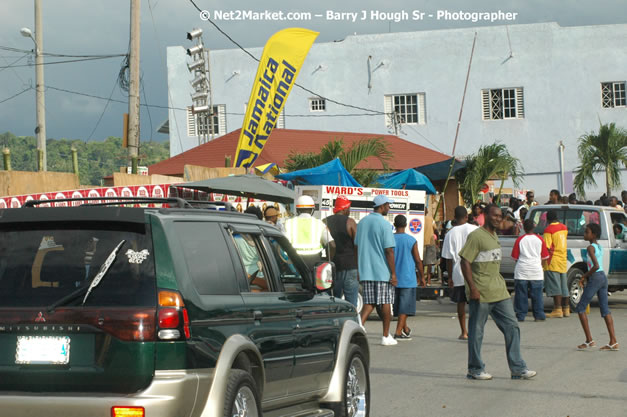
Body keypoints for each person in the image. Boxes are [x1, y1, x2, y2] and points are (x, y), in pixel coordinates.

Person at [459, 204, 536, 380]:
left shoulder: (495, 236)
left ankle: (517, 368)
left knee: (512, 327)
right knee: (477, 331)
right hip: (481, 292)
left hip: (499, 291)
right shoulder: (476, 236)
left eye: (500, 216)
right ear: (485, 215)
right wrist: (473, 288)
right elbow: (465, 262)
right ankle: (475, 369)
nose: (498, 219)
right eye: (494, 216)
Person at [356, 194, 398, 346]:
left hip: (366, 270)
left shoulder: (362, 222)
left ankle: (359, 325)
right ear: (382, 206)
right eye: (388, 205)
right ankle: (386, 335)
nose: (389, 208)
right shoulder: (384, 224)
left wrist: (359, 267)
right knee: (386, 302)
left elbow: (357, 246)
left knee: (370, 302)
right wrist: (393, 273)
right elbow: (389, 251)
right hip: (381, 270)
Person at [576, 223, 619, 351]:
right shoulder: (598, 246)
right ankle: (613, 341)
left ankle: (589, 340)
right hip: (602, 277)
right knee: (605, 309)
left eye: (587, 232)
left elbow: (595, 265)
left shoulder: (590, 248)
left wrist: (584, 276)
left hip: (595, 277)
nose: (585, 234)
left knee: (580, 307)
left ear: (593, 235)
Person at [441, 206, 478, 340]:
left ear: (454, 217)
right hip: (474, 272)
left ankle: (464, 332)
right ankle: (475, 330)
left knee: (460, 303)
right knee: (475, 303)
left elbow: (448, 259)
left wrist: (450, 277)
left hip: (458, 272)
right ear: (467, 216)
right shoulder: (475, 229)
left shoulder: (450, 233)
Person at [392, 215, 425, 341]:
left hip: (394, 277)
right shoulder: (411, 240)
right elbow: (417, 260)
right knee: (404, 307)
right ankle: (398, 332)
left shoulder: (390, 239)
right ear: (406, 225)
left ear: (394, 225)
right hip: (408, 278)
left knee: (399, 307)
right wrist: (421, 277)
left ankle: (405, 329)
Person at [324, 195, 359, 307]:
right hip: (350, 266)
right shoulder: (350, 222)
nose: (349, 210)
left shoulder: (325, 221)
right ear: (344, 209)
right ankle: (351, 323)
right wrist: (358, 266)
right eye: (349, 208)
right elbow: (357, 245)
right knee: (351, 303)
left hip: (332, 266)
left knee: (333, 300)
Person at [512, 219, 549, 322]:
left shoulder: (520, 240)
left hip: (522, 271)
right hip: (536, 271)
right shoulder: (540, 239)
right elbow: (545, 257)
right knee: (537, 295)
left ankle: (521, 315)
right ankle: (538, 315)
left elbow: (515, 257)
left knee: (520, 295)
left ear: (524, 228)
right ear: (533, 227)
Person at [285, 195, 335, 270]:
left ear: (297, 209)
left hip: (295, 261)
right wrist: (327, 261)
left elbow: (283, 244)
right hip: (315, 261)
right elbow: (332, 245)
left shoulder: (288, 223)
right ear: (312, 210)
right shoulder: (319, 224)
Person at [543, 210, 570, 318]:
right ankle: (566, 309)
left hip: (552, 260)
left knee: (555, 286)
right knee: (564, 286)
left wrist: (543, 261)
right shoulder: (564, 228)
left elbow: (547, 247)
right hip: (563, 259)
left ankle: (557, 309)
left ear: (548, 219)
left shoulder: (548, 230)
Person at [423, 206, 437, 286]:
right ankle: (428, 280)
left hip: (421, 243)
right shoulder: (431, 219)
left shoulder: (418, 219)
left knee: (421, 262)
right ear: (427, 211)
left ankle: (420, 279)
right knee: (430, 263)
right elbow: (435, 228)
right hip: (431, 242)